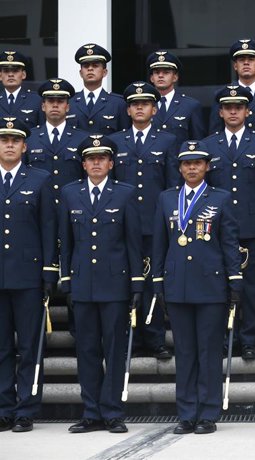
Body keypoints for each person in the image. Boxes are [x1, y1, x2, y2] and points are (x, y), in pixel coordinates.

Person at [152, 140, 243, 435]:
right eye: (186, 163)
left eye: (197, 163)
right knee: (186, 352)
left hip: (210, 286)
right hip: (177, 285)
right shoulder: (167, 199)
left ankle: (208, 413)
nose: (192, 167)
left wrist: (234, 280)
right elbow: (159, 243)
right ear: (179, 168)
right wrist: (158, 281)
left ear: (206, 167)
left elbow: (229, 243)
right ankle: (186, 413)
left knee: (208, 352)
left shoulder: (221, 198)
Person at [59, 134, 143, 434]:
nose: (96, 163)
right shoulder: (70, 194)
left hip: (115, 285)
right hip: (83, 285)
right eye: (91, 159)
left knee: (114, 349)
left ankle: (112, 412)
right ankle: (91, 412)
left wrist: (136, 284)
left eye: (101, 158)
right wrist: (66, 280)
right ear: (83, 164)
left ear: (111, 163)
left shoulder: (126, 193)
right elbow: (65, 242)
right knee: (87, 351)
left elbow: (133, 243)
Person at [203, 85, 255, 360]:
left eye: (239, 107)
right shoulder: (207, 146)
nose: (233, 111)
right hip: (217, 228)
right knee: (219, 284)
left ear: (248, 111)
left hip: (252, 226)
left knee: (251, 286)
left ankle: (249, 338)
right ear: (221, 112)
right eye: (228, 107)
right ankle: (223, 338)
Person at [110, 81, 179, 360]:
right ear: (128, 109)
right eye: (135, 104)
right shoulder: (114, 142)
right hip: (120, 225)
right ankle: (126, 336)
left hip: (153, 226)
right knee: (121, 281)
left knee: (152, 281)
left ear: (154, 108)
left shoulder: (168, 141)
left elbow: (173, 185)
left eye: (146, 103)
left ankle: (153, 339)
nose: (140, 107)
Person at [0, 117, 57, 433]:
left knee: (30, 346)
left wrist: (49, 270)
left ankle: (26, 409)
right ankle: (4, 407)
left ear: (24, 146)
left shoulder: (40, 179)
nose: (9, 144)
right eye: (4, 139)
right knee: (1, 347)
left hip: (28, 277)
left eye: (15, 140)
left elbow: (49, 228)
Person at [26, 78, 89, 205]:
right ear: (43, 106)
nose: (55, 105)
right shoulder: (29, 137)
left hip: (73, 206)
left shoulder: (82, 139)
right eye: (50, 101)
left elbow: (87, 178)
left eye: (60, 101)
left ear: (68, 107)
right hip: (38, 206)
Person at [147, 50, 205, 150]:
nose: (161, 75)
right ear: (152, 78)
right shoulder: (143, 105)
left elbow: (198, 144)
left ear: (175, 77)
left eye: (166, 72)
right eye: (156, 72)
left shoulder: (191, 105)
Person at [69, 43, 129, 134]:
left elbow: (124, 138)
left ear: (104, 72)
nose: (90, 69)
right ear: (81, 73)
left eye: (95, 65)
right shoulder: (69, 102)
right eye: (86, 66)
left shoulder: (119, 104)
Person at [0, 50, 43, 128]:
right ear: (0, 76)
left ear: (23, 75)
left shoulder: (36, 100)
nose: (10, 75)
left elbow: (42, 131)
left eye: (15, 71)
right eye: (6, 71)